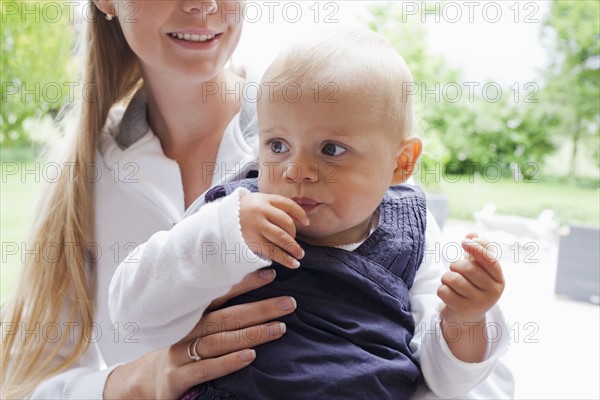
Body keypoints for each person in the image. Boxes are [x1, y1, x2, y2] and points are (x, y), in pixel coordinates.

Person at [0, 1, 513, 399]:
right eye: (277, 147)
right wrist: (136, 383)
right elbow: (29, 384)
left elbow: (478, 381)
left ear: (401, 161)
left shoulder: (344, 125)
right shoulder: (86, 182)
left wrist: (463, 320)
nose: (202, 5)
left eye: (330, 150)